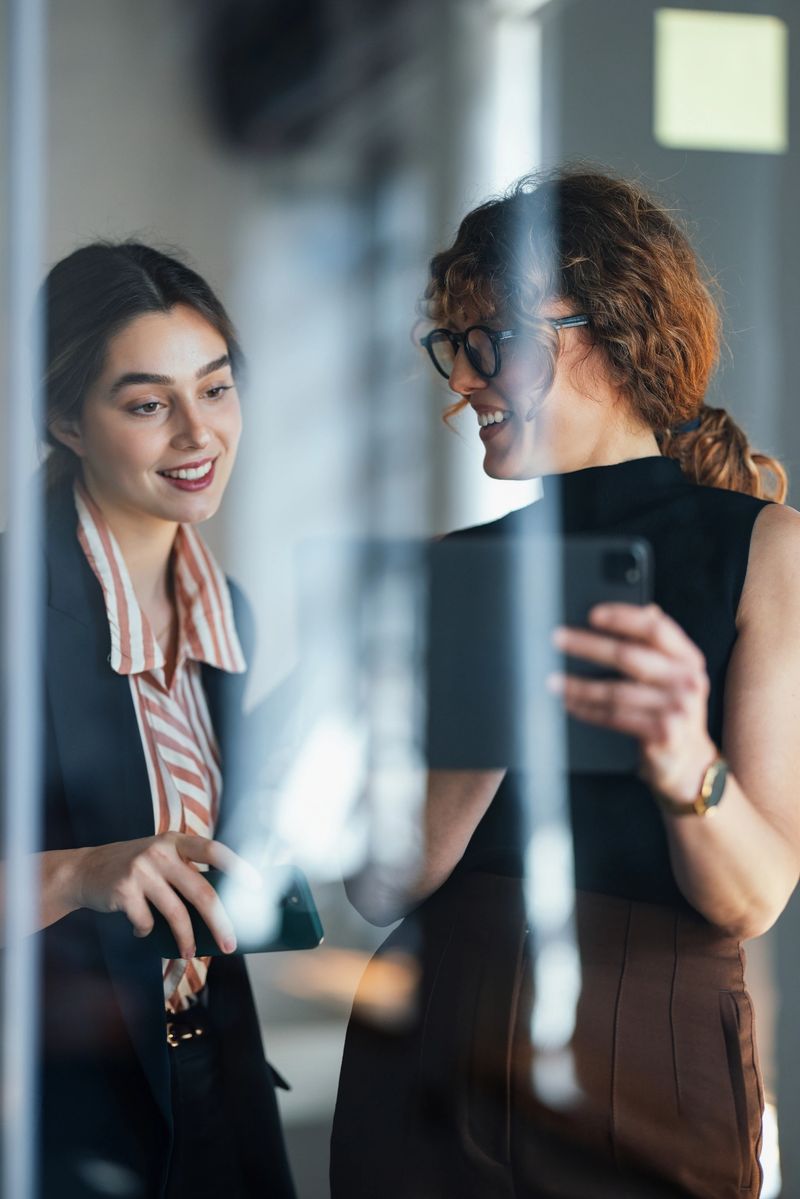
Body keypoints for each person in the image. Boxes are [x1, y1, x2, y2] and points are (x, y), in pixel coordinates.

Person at [331, 170, 800, 1198]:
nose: (464, 380)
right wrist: (486, 719)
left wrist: (683, 756)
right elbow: (371, 886)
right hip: (434, 1039)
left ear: (613, 332)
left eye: (489, 339)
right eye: (453, 349)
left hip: (653, 1050)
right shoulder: (460, 567)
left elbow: (757, 895)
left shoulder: (764, 551)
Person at [19, 241, 296, 1198]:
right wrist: (80, 872)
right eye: (148, 404)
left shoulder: (233, 615)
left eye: (216, 390)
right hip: (55, 1113)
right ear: (66, 419)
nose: (198, 433)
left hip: (211, 1076)